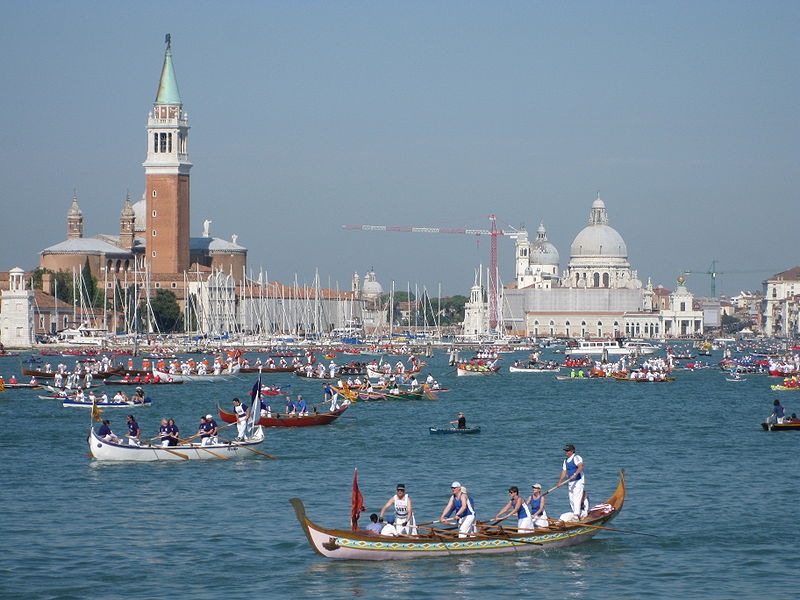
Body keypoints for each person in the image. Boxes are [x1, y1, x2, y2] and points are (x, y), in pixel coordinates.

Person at [556, 444, 586, 519]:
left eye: (567, 450)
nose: (566, 452)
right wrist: (560, 481)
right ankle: (576, 513)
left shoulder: (576, 457)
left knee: (576, 497)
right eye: (565, 450)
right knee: (571, 499)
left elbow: (581, 466)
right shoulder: (565, 461)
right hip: (571, 482)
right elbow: (564, 471)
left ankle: (576, 515)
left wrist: (575, 474)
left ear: (572, 451)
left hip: (578, 481)